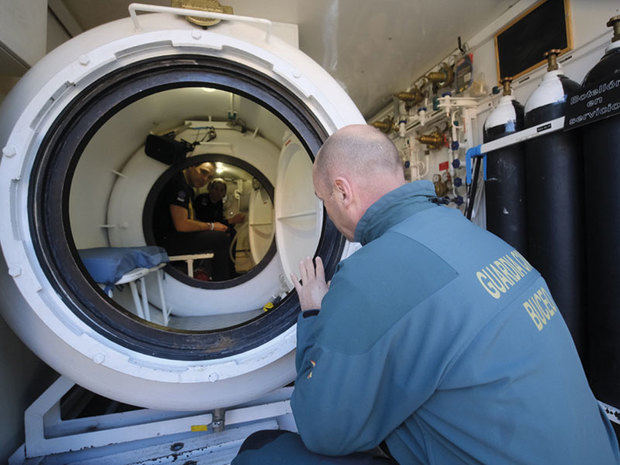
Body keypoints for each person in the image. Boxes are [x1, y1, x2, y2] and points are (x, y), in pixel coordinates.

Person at [232, 125, 620, 464]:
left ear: (342, 190)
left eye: (324, 200)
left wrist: (314, 316)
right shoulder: (476, 237)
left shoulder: (372, 275)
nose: (328, 213)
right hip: (600, 451)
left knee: (261, 450)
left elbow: (324, 431)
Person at [154, 162, 235, 281]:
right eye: (203, 172)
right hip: (166, 241)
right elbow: (181, 225)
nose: (205, 179)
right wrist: (212, 226)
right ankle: (222, 283)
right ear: (190, 166)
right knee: (220, 238)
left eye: (209, 177)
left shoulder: (188, 189)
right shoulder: (178, 184)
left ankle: (217, 275)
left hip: (175, 237)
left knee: (224, 234)